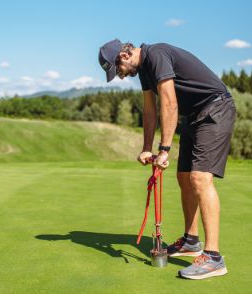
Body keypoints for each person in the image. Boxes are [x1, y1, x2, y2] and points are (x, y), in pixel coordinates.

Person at [98, 39, 236, 279]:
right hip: (195, 115)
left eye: (117, 71)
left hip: (215, 109)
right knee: (184, 177)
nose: (120, 76)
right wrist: (146, 148)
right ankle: (191, 241)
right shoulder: (144, 71)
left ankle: (214, 258)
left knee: (200, 178)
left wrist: (164, 149)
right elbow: (150, 109)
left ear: (123, 56)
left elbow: (169, 103)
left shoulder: (156, 55)